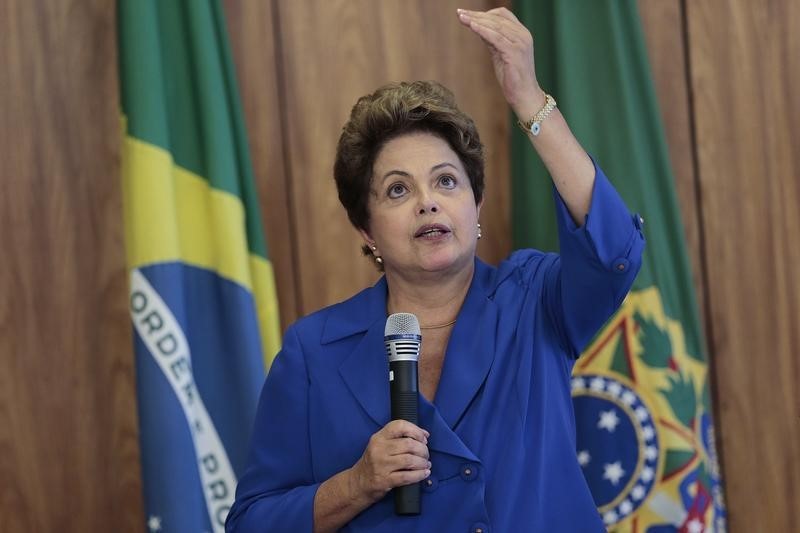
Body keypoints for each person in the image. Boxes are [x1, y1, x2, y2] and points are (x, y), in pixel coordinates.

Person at [226, 7, 645, 532]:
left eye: (446, 181)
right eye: (398, 189)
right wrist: (355, 484)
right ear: (367, 230)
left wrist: (529, 100)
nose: (428, 203)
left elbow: (612, 251)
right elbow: (251, 523)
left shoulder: (534, 300)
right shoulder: (314, 351)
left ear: (477, 207)